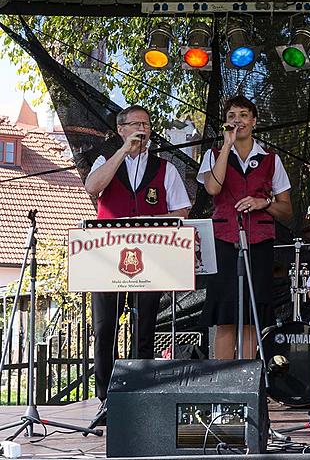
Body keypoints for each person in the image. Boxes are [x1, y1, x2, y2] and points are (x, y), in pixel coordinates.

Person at [84, 104, 192, 426]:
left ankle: (141, 393)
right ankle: (106, 400)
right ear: (121, 129)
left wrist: (151, 222)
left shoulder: (164, 167)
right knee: (105, 329)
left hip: (151, 258)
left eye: (146, 124)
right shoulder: (106, 160)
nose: (142, 130)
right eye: (135, 124)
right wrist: (122, 152)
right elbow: (92, 188)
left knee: (145, 328)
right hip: (107, 258)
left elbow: (181, 211)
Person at [198, 95, 293, 360]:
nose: (237, 120)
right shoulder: (213, 155)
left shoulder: (270, 160)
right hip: (223, 240)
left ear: (254, 121)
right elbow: (213, 188)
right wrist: (227, 146)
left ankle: (247, 383)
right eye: (231, 116)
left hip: (259, 241)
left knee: (252, 317)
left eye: (242, 115)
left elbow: (286, 210)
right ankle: (223, 385)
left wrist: (263, 202)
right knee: (225, 316)